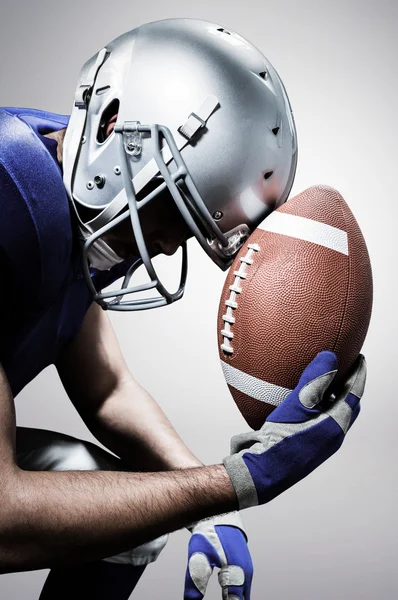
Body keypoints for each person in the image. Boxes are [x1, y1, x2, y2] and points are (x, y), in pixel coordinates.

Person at [0, 17, 366, 600]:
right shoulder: (10, 197)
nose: (171, 244)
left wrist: (207, 513)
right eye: (171, 205)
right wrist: (234, 484)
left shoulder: (86, 193)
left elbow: (106, 387)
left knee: (124, 516)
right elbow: (4, 516)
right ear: (116, 125)